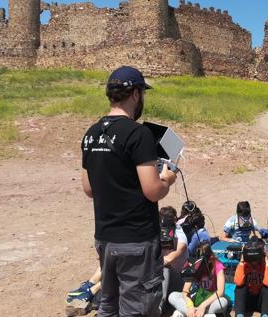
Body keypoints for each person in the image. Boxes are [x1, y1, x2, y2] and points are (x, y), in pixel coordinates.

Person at [81, 66, 177, 317]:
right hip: (136, 240)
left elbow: (88, 188)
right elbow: (153, 191)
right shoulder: (138, 134)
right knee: (138, 310)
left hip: (105, 239)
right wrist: (167, 178)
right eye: (142, 93)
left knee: (108, 306)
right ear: (135, 93)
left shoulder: (91, 134)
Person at [168, 241, 228, 317]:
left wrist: (203, 306)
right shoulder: (194, 265)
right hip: (195, 298)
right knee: (172, 296)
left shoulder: (218, 266)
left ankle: (183, 313)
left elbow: (220, 292)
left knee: (223, 302)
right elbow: (185, 291)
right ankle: (200, 314)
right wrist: (190, 306)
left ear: (210, 258)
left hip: (210, 300)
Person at [234, 237, 268, 317]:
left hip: (261, 302)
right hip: (247, 301)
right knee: (240, 288)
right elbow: (238, 282)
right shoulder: (244, 265)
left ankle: (265, 315)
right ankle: (239, 315)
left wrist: (267, 261)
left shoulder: (266, 265)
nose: (254, 261)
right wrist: (242, 260)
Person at [159, 206, 189, 309]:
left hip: (178, 278)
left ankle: (159, 308)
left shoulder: (179, 234)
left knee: (165, 267)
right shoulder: (158, 229)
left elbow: (175, 254)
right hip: (160, 277)